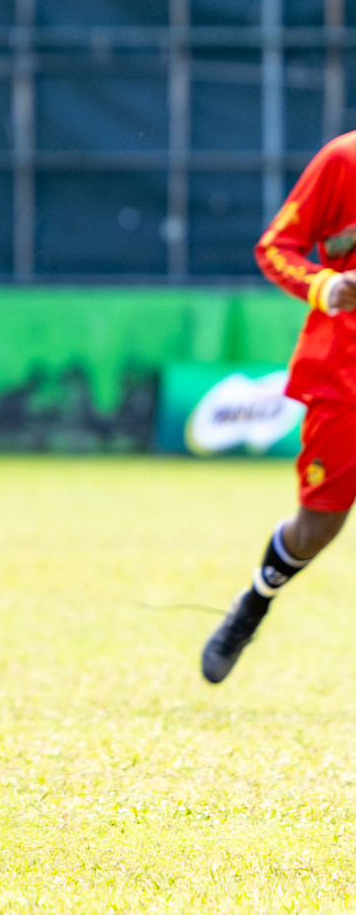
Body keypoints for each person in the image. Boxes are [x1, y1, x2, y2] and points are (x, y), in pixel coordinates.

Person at [201, 131, 356, 683]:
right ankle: (254, 602)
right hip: (343, 378)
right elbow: (275, 247)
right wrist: (326, 287)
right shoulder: (344, 160)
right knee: (317, 528)